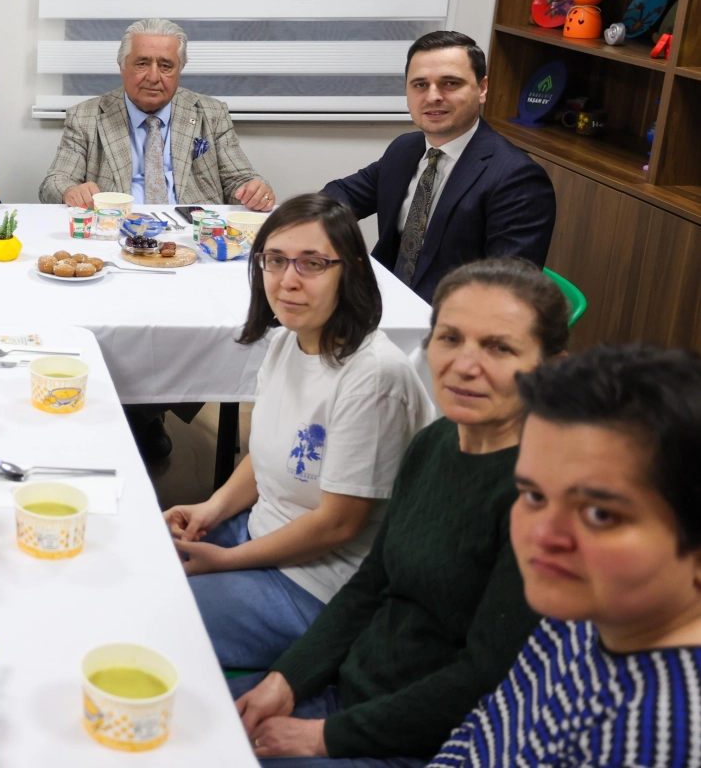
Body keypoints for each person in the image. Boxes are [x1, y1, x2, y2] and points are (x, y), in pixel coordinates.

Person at [233, 258, 569, 766]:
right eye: (450, 338)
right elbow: (372, 583)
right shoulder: (435, 441)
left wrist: (325, 738)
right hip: (349, 690)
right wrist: (288, 679)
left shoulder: (545, 498)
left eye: (499, 347)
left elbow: (483, 678)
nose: (465, 364)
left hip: (421, 742)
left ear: (553, 367)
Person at [165, 193, 435, 670]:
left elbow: (339, 524)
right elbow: (272, 451)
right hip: (260, 536)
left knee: (159, 623)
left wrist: (226, 560)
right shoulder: (291, 339)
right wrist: (211, 510)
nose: (287, 280)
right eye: (275, 261)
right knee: (137, 568)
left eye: (312, 264)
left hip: (321, 586)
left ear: (349, 270)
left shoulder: (373, 377)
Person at [428, 344, 701, 768]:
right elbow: (486, 726)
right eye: (533, 495)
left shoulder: (657, 739)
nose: (543, 535)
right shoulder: (582, 607)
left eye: (599, 514)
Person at [322, 30, 556, 304]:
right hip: (380, 300)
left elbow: (506, 292)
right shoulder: (406, 149)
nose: (433, 96)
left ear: (482, 89)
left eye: (450, 83)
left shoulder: (517, 178)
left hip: (446, 324)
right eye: (420, 85)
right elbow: (341, 194)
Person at [38, 17, 274, 211]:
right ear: (122, 67)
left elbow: (239, 179)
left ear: (179, 70)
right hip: (116, 229)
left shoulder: (211, 114)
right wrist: (70, 191)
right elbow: (53, 183)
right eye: (142, 64)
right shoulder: (85, 117)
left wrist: (254, 190)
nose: (153, 77)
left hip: (193, 232)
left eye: (166, 66)